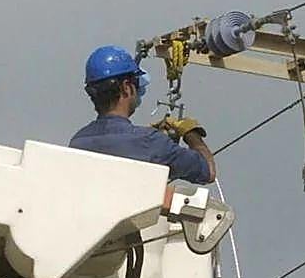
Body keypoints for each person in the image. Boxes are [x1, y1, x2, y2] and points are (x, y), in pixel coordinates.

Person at [69, 46, 215, 184]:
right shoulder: (151, 142)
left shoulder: (78, 142)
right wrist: (191, 134)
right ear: (126, 87)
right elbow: (208, 171)